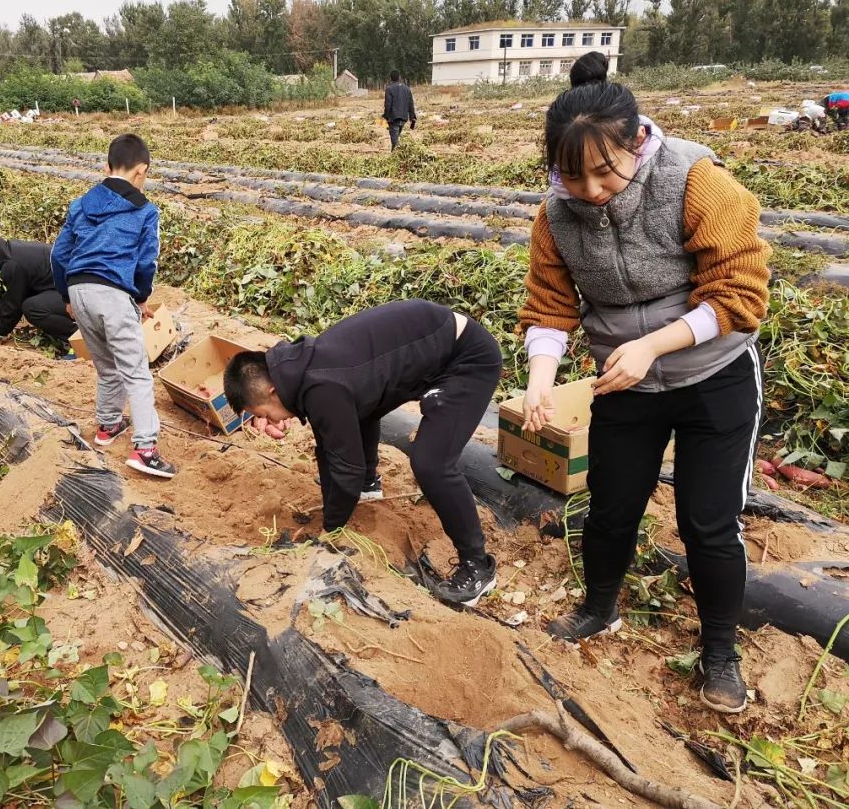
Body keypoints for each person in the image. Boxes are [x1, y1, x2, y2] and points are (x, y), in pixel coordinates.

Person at [519, 52, 770, 714]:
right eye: (575, 178)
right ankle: (599, 608)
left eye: (606, 173)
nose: (593, 191)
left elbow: (739, 293)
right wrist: (540, 380)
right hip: (625, 384)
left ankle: (719, 652)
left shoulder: (695, 179)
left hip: (712, 373)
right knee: (611, 508)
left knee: (707, 523)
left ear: (637, 143)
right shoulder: (556, 215)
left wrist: (652, 344)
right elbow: (549, 306)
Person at [223, 299, 503, 607]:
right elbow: (331, 445)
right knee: (357, 414)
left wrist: (331, 528)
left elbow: (346, 467)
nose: (270, 421)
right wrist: (340, 501)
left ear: (271, 391)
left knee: (431, 462)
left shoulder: (321, 385)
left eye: (261, 412)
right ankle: (369, 486)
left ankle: (478, 568)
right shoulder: (299, 371)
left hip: (466, 358)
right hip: (432, 343)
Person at [51, 133, 175, 479]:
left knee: (106, 367)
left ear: (107, 168)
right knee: (136, 373)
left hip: (79, 290)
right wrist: (140, 296)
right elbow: (146, 261)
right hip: (112, 292)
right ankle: (146, 449)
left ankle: (107, 426)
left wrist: (66, 296)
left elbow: (59, 254)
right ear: (141, 171)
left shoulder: (80, 204)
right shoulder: (145, 211)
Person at [0, 221, 77, 354]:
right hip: (61, 290)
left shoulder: (11, 263)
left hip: (77, 293)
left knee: (32, 308)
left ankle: (82, 339)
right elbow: (6, 292)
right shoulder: (6, 252)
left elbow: (13, 306)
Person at [383, 70, 417, 151]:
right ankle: (395, 155)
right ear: (399, 77)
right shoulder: (407, 89)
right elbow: (410, 104)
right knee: (396, 139)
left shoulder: (389, 89)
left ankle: (397, 157)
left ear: (391, 78)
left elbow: (388, 105)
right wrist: (412, 117)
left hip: (394, 119)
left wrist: (386, 117)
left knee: (395, 143)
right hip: (403, 118)